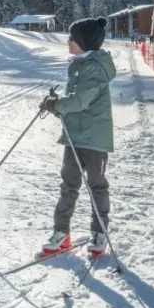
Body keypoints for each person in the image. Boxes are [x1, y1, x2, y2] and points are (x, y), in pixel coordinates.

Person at [38, 17, 116, 258]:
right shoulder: (80, 65)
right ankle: (61, 232)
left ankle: (99, 233)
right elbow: (75, 100)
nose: (68, 41)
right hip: (74, 136)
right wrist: (57, 106)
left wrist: (58, 105)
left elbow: (80, 101)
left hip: (94, 137)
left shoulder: (95, 67)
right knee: (69, 184)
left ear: (84, 42)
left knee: (96, 186)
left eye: (72, 38)